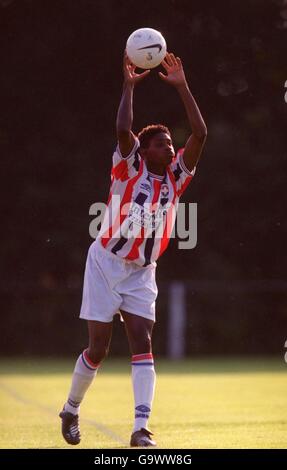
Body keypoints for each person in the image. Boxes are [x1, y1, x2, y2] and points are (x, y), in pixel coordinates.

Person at [59, 51, 207, 447]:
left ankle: (141, 429)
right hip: (106, 264)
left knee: (142, 342)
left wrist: (182, 86)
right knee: (98, 349)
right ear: (144, 152)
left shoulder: (175, 179)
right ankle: (71, 408)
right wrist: (128, 85)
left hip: (142, 272)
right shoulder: (129, 167)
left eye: (170, 143)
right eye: (161, 144)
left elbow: (200, 134)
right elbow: (124, 129)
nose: (170, 148)